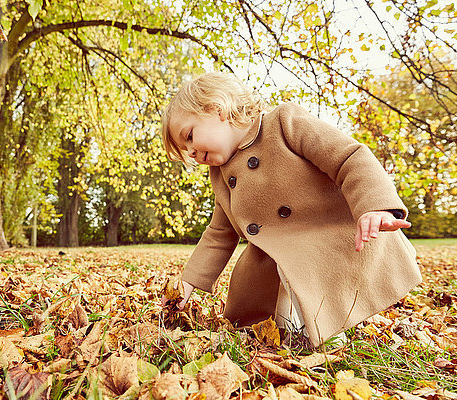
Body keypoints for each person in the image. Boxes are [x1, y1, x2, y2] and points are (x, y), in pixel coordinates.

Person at [160, 72, 421, 347]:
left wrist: (374, 206)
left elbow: (349, 157)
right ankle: (286, 331)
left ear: (217, 108)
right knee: (267, 304)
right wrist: (186, 287)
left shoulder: (283, 123)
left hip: (323, 236)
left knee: (304, 270)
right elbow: (218, 234)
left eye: (189, 135)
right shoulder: (221, 175)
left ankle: (326, 333)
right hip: (271, 262)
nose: (190, 151)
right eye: (184, 149)